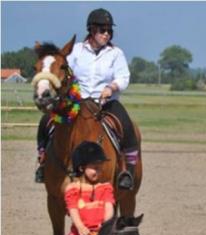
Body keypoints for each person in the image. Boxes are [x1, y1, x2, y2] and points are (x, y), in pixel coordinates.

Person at [35, 8, 138, 191]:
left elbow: (123, 77)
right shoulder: (75, 51)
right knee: (46, 121)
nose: (106, 34)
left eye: (109, 30)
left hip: (106, 103)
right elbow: (66, 71)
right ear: (91, 30)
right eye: (102, 30)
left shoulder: (116, 54)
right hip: (77, 101)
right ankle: (43, 163)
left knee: (126, 124)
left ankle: (127, 171)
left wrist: (111, 87)